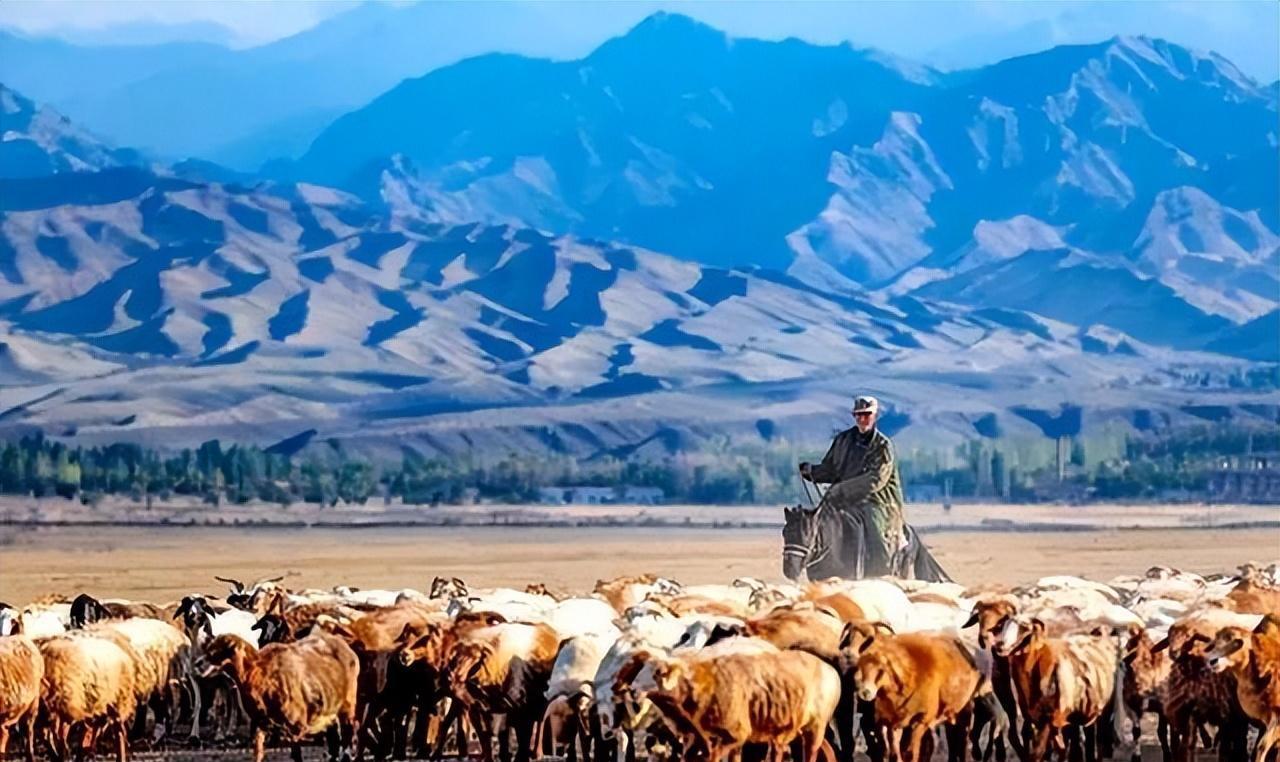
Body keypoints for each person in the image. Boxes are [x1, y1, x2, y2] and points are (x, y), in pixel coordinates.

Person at [799, 395, 908, 578]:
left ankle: (883, 574)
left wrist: (840, 489)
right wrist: (812, 472)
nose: (862, 419)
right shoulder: (843, 440)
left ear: (875, 416)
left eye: (866, 415)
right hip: (843, 499)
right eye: (858, 415)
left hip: (876, 501)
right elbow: (831, 469)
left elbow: (875, 480)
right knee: (814, 525)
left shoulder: (883, 446)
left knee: (874, 530)